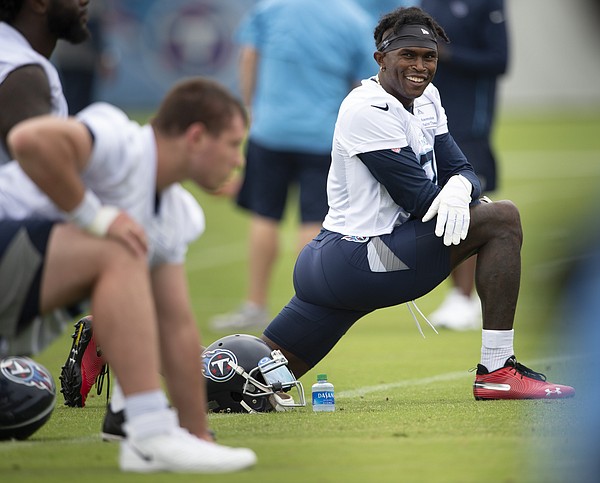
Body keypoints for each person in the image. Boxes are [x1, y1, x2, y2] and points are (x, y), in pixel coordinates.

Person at [259, 6, 574, 400]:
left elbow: (462, 169)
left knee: (255, 379)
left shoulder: (427, 99)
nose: (420, 66)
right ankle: (497, 369)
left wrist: (461, 189)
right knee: (503, 219)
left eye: (429, 57)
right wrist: (466, 195)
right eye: (408, 55)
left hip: (338, 263)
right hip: (360, 259)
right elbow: (421, 200)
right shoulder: (367, 108)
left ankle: (204, 376)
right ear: (381, 58)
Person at [0, 77, 257, 472]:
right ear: (196, 136)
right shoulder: (121, 141)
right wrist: (96, 217)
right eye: (233, 144)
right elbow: (29, 140)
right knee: (120, 248)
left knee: (133, 263)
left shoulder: (177, 212)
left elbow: (175, 324)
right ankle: (148, 429)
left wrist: (196, 433)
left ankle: (151, 432)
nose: (239, 161)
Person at [209, 0, 375, 331]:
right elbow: (363, 84)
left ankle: (255, 304)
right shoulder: (355, 18)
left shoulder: (270, 7)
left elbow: (248, 57)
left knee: (264, 216)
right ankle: (311, 304)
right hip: (324, 134)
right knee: (313, 221)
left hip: (270, 130)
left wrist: (251, 107)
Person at [0, 0, 108, 397]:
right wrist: (97, 216)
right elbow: (40, 173)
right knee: (121, 244)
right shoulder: (20, 69)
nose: (86, 1)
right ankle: (146, 419)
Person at [419, 0, 509, 330]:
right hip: (432, 119)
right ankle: (457, 296)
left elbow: (500, 60)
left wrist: (447, 56)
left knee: (470, 205)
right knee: (439, 204)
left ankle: (466, 298)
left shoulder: (487, 3)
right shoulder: (430, 2)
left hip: (470, 120)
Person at [52, 1, 114, 115]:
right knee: (81, 105)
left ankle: (66, 126)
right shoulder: (91, 4)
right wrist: (101, 54)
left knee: (70, 99)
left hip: (64, 54)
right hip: (83, 57)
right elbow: (92, 27)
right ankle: (73, 129)